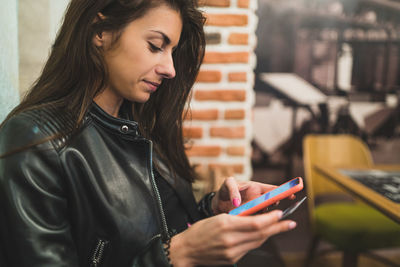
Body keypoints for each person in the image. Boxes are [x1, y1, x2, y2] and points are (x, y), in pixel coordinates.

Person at [0, 0, 297, 266]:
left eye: (172, 51)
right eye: (156, 45)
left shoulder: (144, 125)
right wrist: (175, 256)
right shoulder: (35, 143)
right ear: (99, 30)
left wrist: (213, 211)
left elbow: (165, 226)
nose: (170, 69)